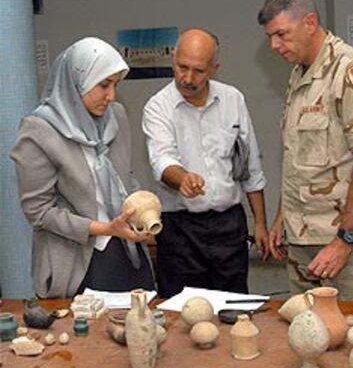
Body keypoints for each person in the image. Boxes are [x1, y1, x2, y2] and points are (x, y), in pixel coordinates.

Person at [257, 0, 353, 300]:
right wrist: (283, 216)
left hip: (349, 247)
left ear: (309, 22)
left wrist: (344, 241)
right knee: (307, 339)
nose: (274, 45)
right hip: (303, 242)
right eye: (270, 37)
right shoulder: (299, 75)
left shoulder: (352, 70)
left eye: (281, 34)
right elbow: (297, 157)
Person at [11, 37, 155, 298]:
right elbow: (39, 212)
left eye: (115, 85)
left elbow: (126, 179)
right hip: (77, 261)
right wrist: (103, 228)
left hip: (128, 251)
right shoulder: (39, 131)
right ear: (77, 81)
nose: (111, 96)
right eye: (103, 85)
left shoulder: (117, 116)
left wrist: (141, 216)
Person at [142, 28, 268, 298]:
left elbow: (250, 167)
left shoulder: (233, 99)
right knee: (180, 314)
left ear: (214, 69)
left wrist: (260, 224)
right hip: (179, 231)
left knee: (233, 310)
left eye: (198, 70)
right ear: (173, 59)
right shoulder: (157, 107)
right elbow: (161, 159)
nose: (187, 78)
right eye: (181, 67)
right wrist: (182, 178)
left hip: (228, 227)